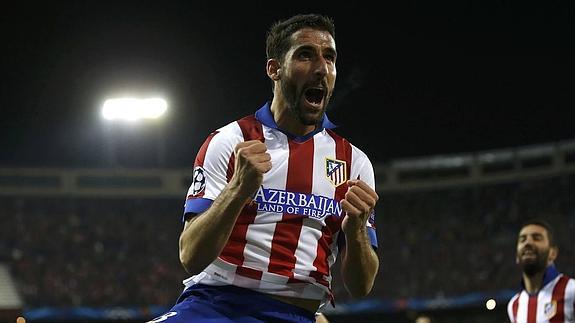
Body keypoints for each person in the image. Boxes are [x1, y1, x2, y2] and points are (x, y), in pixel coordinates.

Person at [148, 13, 379, 323]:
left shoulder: (354, 162)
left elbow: (361, 287)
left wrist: (356, 231)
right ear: (275, 69)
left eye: (329, 57)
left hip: (297, 313)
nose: (321, 68)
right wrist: (237, 190)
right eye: (305, 55)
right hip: (217, 306)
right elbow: (191, 256)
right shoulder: (229, 142)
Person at [507, 219, 575, 323]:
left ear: (552, 253)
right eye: (522, 239)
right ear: (517, 256)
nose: (528, 243)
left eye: (536, 238)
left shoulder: (571, 290)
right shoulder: (514, 305)